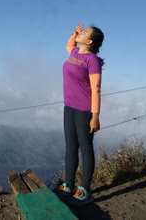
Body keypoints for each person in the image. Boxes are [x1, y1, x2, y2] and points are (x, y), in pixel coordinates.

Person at [58, 23, 104, 205]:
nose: (81, 33)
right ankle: (68, 184)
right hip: (69, 107)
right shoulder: (75, 53)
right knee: (70, 147)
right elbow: (69, 46)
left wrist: (95, 115)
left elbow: (96, 88)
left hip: (85, 110)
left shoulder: (92, 60)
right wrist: (74, 33)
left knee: (85, 148)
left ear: (90, 41)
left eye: (85, 33)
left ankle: (85, 189)